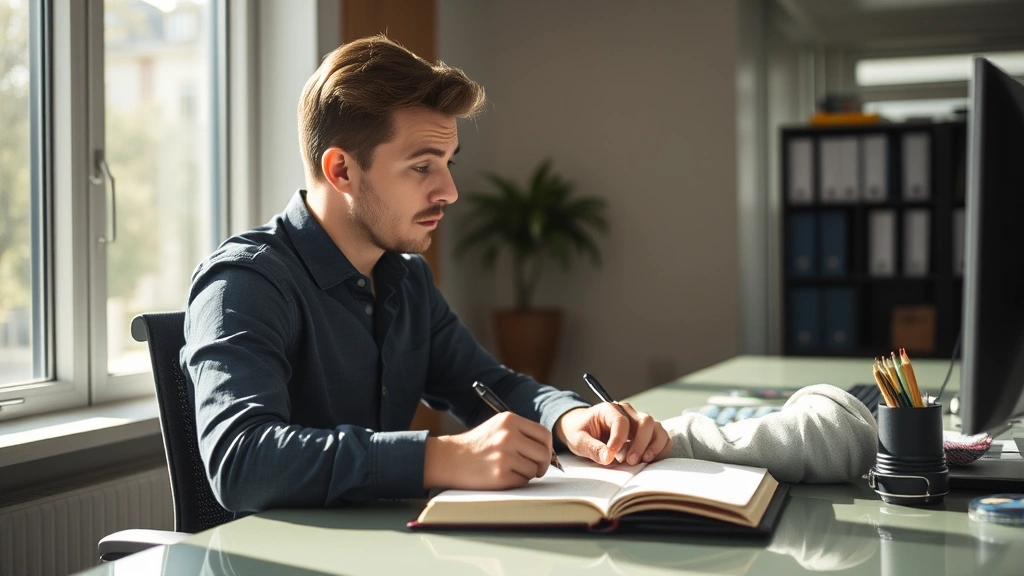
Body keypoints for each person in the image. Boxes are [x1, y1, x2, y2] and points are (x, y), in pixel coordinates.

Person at [181, 35, 671, 514]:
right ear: (342, 170)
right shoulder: (242, 284)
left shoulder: (406, 279)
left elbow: (487, 384)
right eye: (422, 167)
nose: (450, 192)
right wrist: (442, 456)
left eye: (448, 163)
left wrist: (571, 418)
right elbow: (241, 460)